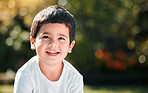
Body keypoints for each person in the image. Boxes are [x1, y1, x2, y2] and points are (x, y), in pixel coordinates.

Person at [13, 5, 84, 93]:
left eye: (61, 38)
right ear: (33, 42)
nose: (53, 44)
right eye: (46, 37)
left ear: (70, 46)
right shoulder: (26, 75)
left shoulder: (74, 78)